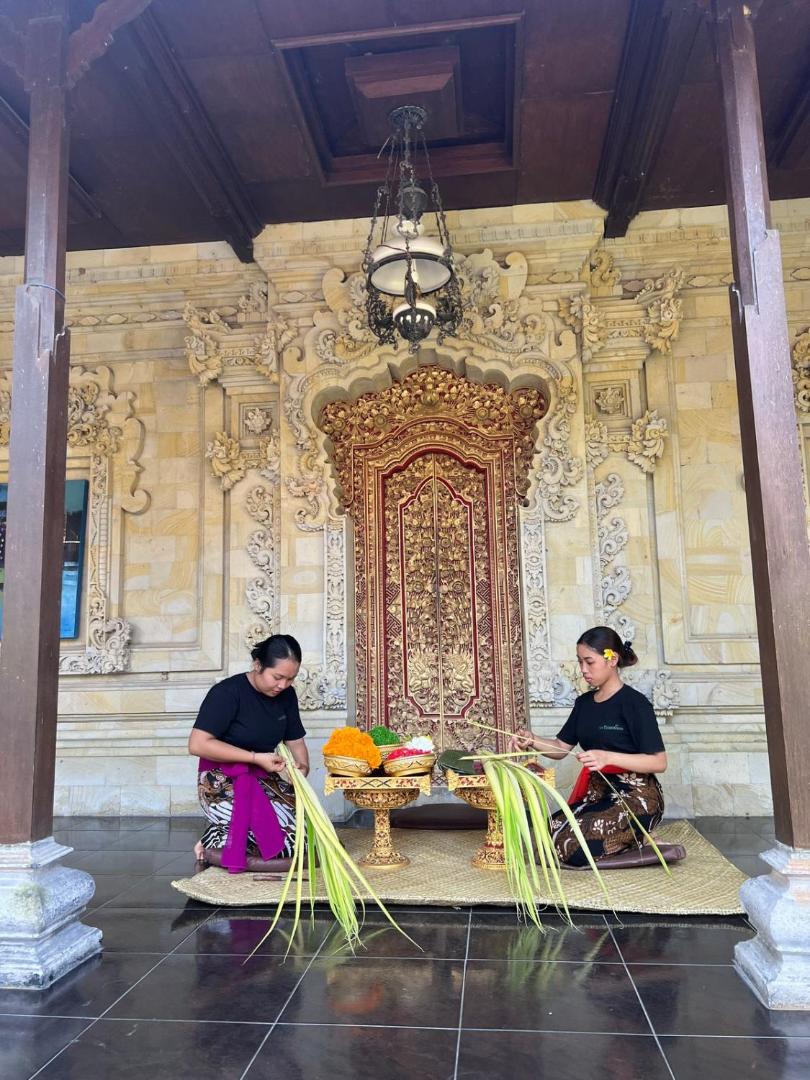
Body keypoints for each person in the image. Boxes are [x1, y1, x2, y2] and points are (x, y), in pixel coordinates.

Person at [511, 626, 684, 868]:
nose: (583, 669)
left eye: (589, 662)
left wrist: (608, 757)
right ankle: (634, 838)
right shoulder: (584, 704)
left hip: (636, 797)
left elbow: (658, 762)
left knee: (570, 848)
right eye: (580, 662)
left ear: (611, 659)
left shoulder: (635, 704)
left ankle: (638, 836)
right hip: (597, 795)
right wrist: (532, 741)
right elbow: (561, 747)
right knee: (542, 838)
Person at [188, 634, 309, 873]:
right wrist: (254, 758)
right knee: (279, 841)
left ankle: (223, 833)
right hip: (219, 780)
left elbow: (295, 740)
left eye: (290, 679)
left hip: (264, 777)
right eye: (277, 677)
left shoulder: (286, 695)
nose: (283, 685)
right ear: (258, 665)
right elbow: (197, 744)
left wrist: (302, 767)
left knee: (305, 836)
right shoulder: (227, 693)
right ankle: (214, 837)